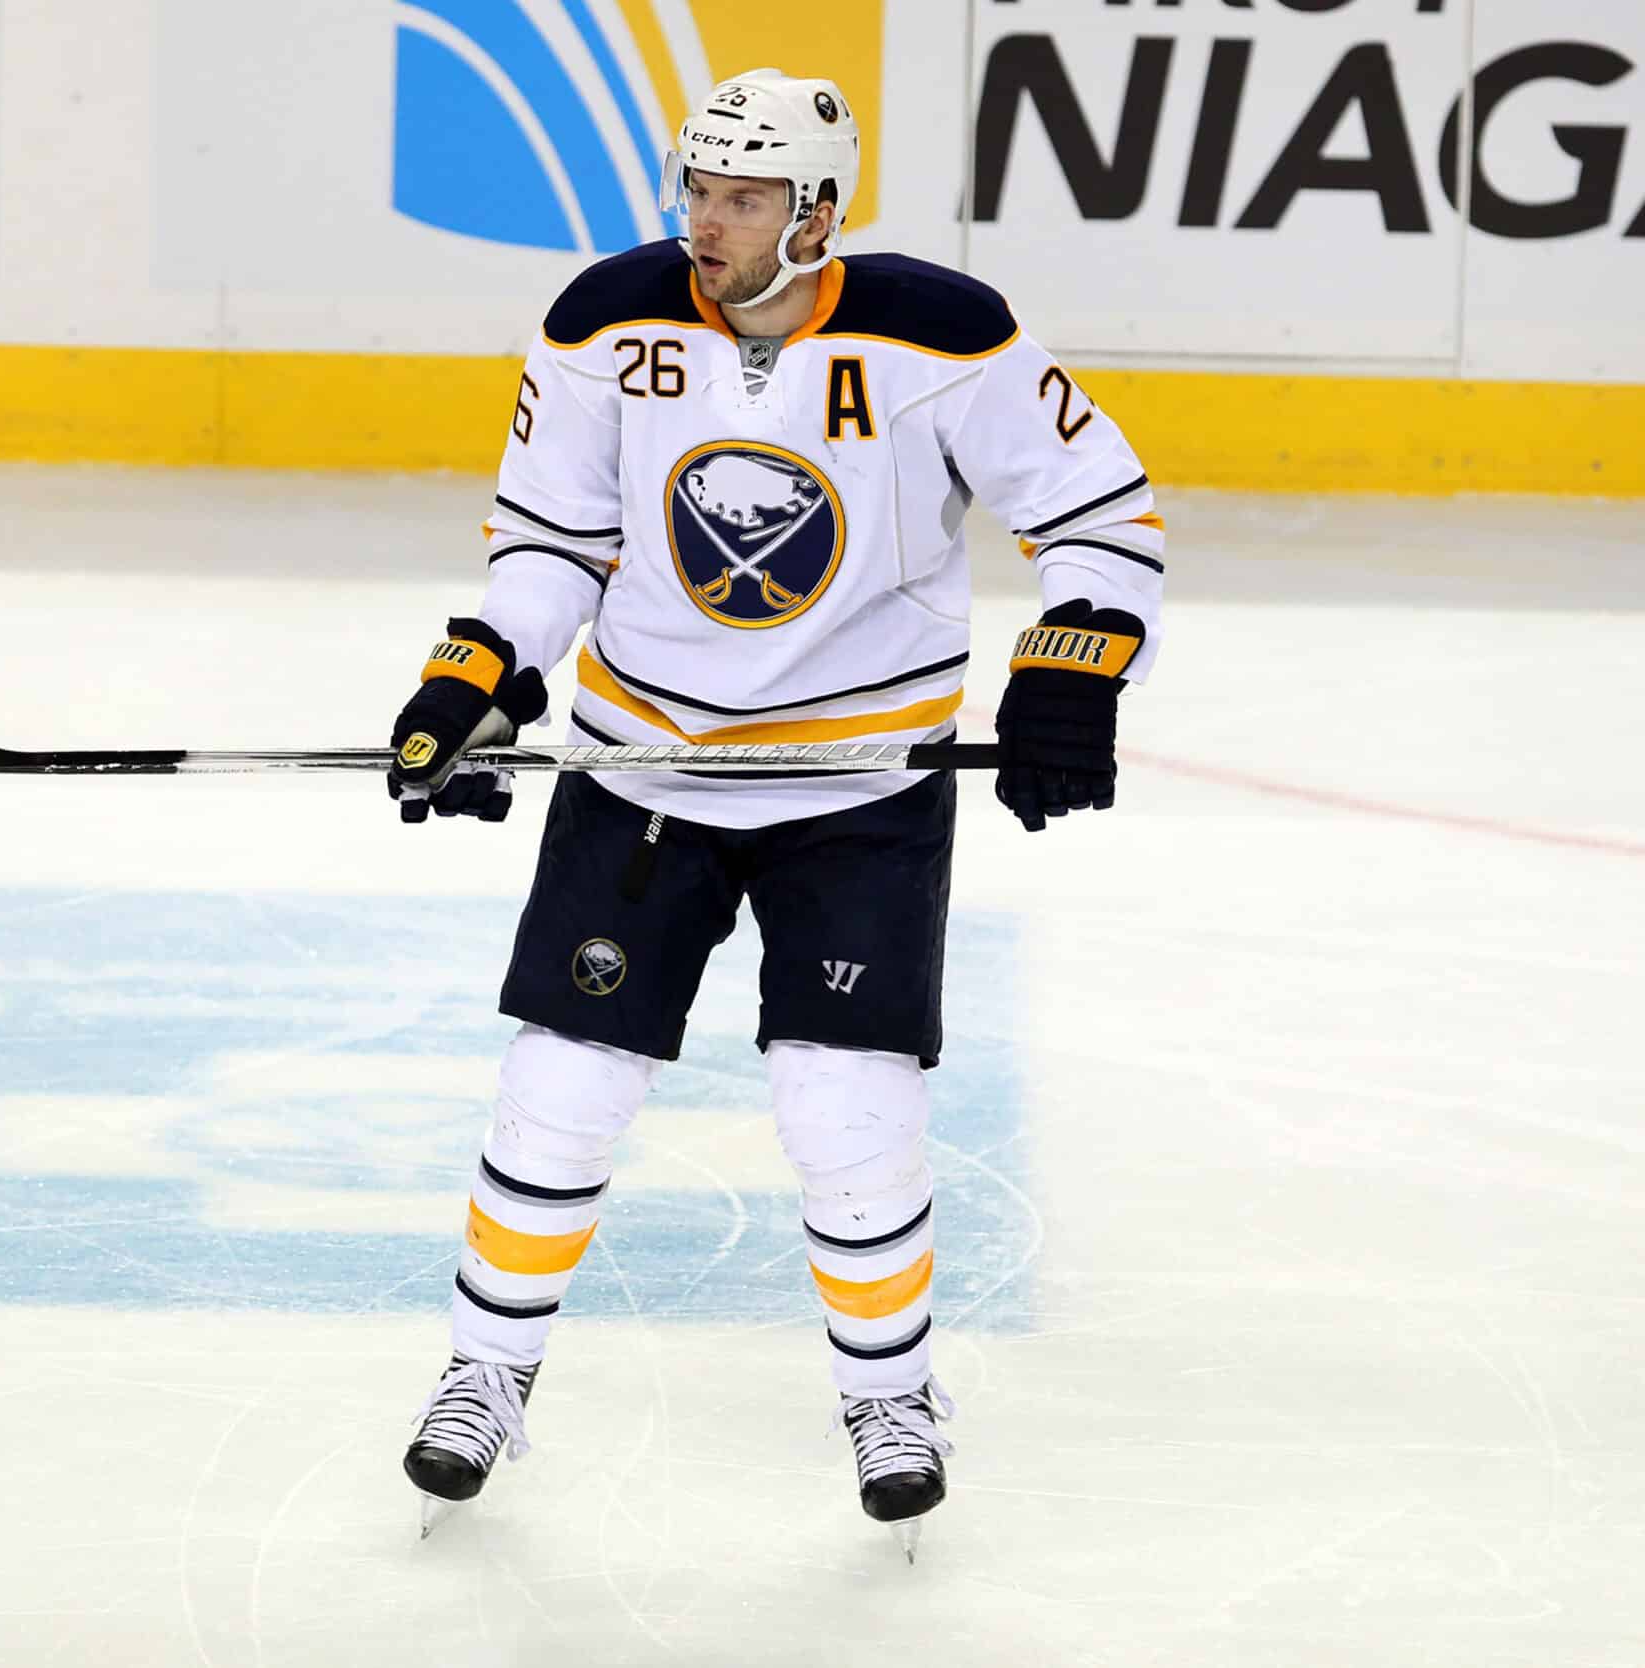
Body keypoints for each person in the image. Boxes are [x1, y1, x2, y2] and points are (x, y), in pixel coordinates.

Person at [387, 68, 1164, 1558]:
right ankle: (488, 1372)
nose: (707, 224)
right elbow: (551, 540)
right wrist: (479, 677)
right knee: (564, 1085)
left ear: (817, 212)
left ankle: (895, 1396)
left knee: (848, 1109)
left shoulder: (942, 334)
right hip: (643, 771)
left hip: (861, 787)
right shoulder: (604, 322)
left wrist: (1071, 674)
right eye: (696, 192)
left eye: (742, 200)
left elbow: (1103, 517)